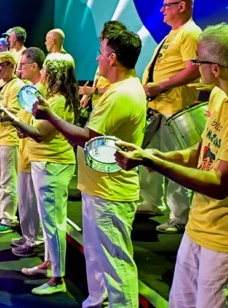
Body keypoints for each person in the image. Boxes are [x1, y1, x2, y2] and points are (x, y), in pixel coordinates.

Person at [114, 24, 228, 307]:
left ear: (216, 69)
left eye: (198, 61)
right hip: (200, 228)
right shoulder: (221, 94)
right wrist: (156, 155)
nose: (195, 66)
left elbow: (221, 185)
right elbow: (204, 151)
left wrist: (153, 163)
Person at [33, 27, 145, 307]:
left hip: (111, 191)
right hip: (99, 186)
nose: (97, 59)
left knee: (116, 264)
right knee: (98, 256)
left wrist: (50, 116)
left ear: (114, 58)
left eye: (102, 53)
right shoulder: (121, 89)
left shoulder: (121, 94)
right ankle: (97, 300)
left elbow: (85, 138)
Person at [2, 56, 79, 295]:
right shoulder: (53, 99)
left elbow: (40, 134)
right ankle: (48, 264)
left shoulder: (58, 102)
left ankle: (58, 279)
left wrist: (11, 119)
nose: (41, 72)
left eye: (45, 69)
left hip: (53, 164)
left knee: (54, 224)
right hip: (44, 163)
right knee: (48, 224)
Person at [138, 0, 202, 233]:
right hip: (159, 107)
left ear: (182, 6)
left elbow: (193, 70)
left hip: (175, 109)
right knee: (150, 156)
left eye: (167, 5)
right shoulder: (174, 33)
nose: (162, 10)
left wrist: (161, 85)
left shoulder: (190, 33)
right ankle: (152, 202)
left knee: (174, 160)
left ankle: (180, 216)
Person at [10, 47, 46, 257]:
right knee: (24, 195)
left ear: (34, 66)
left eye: (22, 65)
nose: (19, 69)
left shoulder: (39, 90)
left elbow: (39, 122)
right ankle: (28, 235)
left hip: (34, 151)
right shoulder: (29, 88)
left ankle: (35, 239)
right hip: (24, 149)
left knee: (31, 198)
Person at [0, 52, 25, 233]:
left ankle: (9, 219)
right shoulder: (1, 83)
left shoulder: (17, 86)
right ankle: (1, 212)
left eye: (0, 65)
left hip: (9, 138)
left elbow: (12, 115)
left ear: (11, 65)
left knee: (8, 180)